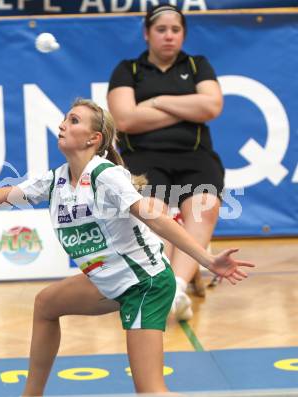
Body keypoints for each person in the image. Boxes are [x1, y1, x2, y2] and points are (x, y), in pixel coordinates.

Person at [0, 99, 253, 396]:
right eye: (64, 118)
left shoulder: (107, 177)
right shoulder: (55, 179)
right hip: (106, 279)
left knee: (150, 391)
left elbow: (157, 220)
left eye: (73, 120)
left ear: (94, 138)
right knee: (46, 304)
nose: (62, 124)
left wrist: (207, 258)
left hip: (144, 284)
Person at [107, 4, 225, 321]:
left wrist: (156, 101)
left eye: (175, 30)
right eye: (161, 30)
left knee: (204, 206)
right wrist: (187, 107)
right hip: (142, 157)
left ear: (183, 34)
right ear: (147, 34)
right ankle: (163, 286)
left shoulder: (198, 65)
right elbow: (124, 118)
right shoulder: (128, 70)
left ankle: (179, 287)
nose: (169, 36)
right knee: (152, 213)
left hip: (194, 156)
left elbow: (211, 106)